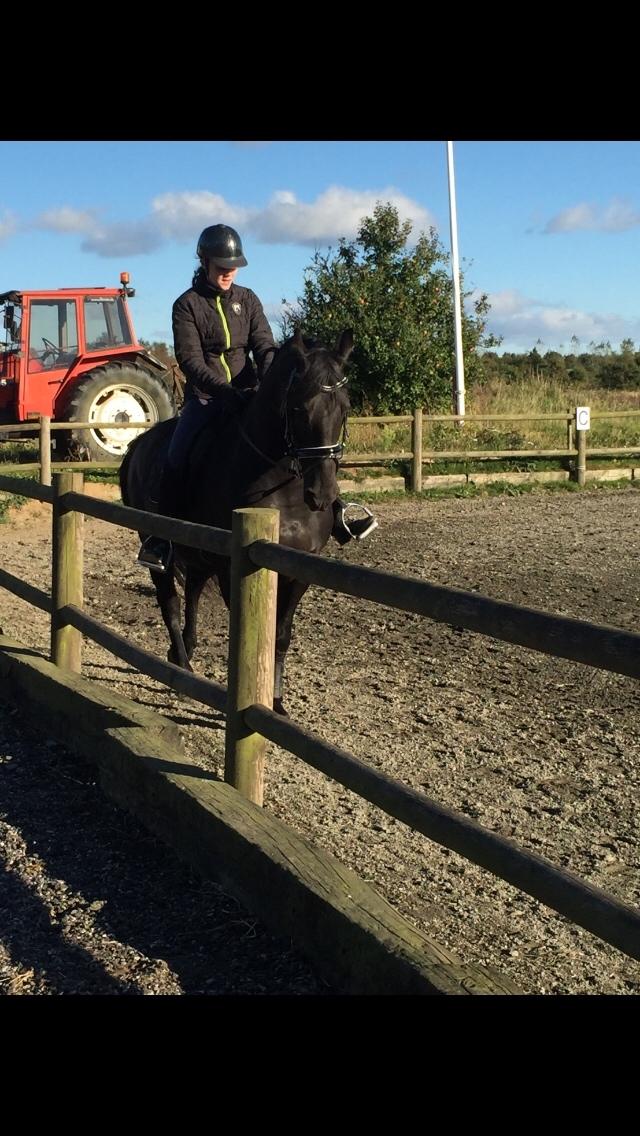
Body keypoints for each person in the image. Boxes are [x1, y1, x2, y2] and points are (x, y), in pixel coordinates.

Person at [137, 224, 377, 572]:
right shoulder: (186, 305)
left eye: (232, 265)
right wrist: (223, 392)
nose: (228, 271)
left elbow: (265, 346)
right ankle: (161, 538)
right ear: (204, 262)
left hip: (250, 392)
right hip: (206, 398)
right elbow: (190, 360)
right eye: (221, 265)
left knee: (300, 435)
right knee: (177, 454)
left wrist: (270, 380)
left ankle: (336, 510)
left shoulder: (247, 300)